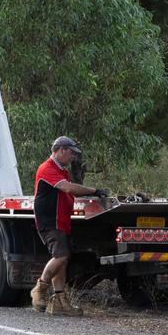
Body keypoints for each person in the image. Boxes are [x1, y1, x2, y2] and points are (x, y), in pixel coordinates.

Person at [30, 135, 108, 316]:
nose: (73, 157)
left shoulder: (61, 170)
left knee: (62, 262)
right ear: (61, 150)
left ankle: (60, 301)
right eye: (71, 153)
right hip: (50, 221)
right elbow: (69, 188)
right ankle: (39, 289)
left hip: (61, 221)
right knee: (61, 256)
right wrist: (95, 191)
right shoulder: (47, 168)